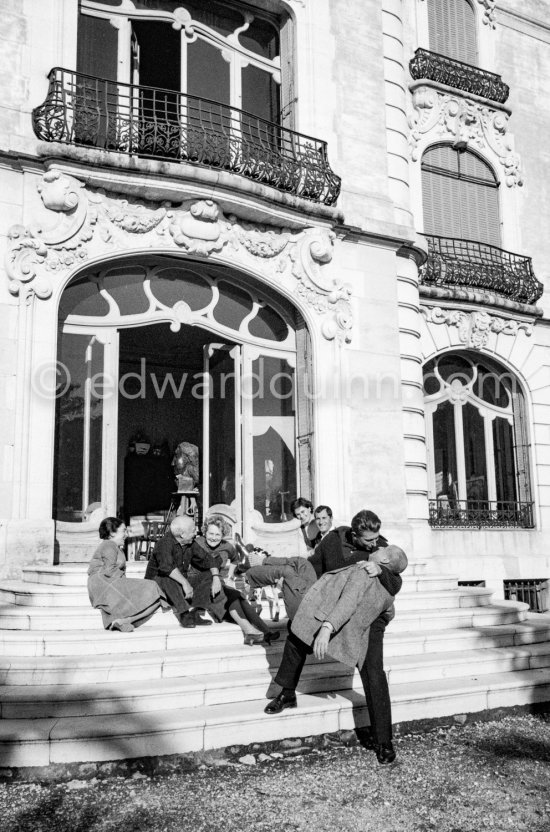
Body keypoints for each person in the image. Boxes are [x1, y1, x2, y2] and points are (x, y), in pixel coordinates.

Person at [264, 509, 406, 765]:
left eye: (376, 539)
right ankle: (287, 692)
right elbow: (314, 566)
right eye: (369, 540)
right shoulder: (332, 541)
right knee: (298, 631)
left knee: (373, 671)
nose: (375, 543)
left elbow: (396, 581)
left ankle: (384, 741)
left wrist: (381, 570)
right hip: (334, 605)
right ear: (354, 534)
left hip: (370, 617)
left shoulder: (381, 549)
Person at [188, 516, 280, 646]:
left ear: (223, 535)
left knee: (239, 597)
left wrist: (230, 576)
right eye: (210, 533)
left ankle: (266, 631)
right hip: (200, 583)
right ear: (205, 532)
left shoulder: (227, 546)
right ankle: (249, 630)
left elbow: (235, 560)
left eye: (217, 534)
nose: (213, 538)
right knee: (231, 596)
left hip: (217, 582)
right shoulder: (198, 543)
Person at [245, 503, 335, 621]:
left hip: (315, 582)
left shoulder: (333, 536)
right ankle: (256, 572)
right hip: (306, 574)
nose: (321, 522)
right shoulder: (316, 534)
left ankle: (254, 573)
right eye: (318, 518)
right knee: (287, 568)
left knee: (287, 569)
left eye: (324, 518)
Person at [88, 517, 168, 632]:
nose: (126, 534)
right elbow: (109, 571)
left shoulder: (114, 546)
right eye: (123, 531)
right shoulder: (108, 545)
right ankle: (124, 620)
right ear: (112, 533)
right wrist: (131, 585)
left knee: (156, 594)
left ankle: (124, 621)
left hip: (108, 581)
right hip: (103, 582)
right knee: (153, 587)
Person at [144, 515, 219, 628]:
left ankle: (195, 612)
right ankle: (184, 613)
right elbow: (167, 568)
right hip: (158, 587)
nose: (196, 533)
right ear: (182, 534)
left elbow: (208, 560)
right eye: (193, 530)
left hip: (178, 587)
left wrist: (216, 577)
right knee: (166, 576)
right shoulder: (164, 543)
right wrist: (185, 583)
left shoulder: (190, 543)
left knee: (208, 574)